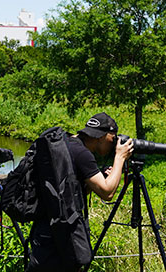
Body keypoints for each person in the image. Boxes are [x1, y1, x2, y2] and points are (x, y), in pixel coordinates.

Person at [26, 112, 134, 271]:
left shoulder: (67, 144)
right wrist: (120, 158)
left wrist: (93, 181)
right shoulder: (83, 154)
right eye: (113, 139)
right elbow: (107, 192)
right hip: (64, 236)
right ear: (101, 137)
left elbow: (69, 191)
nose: (113, 145)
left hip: (45, 231)